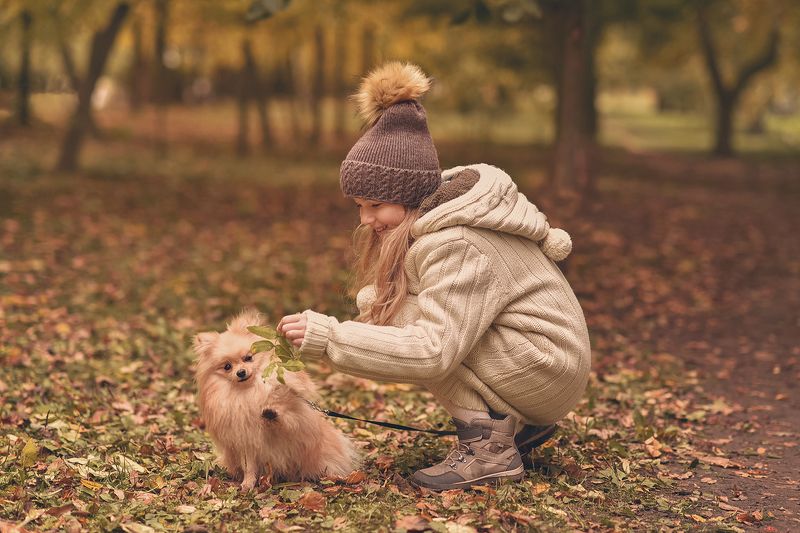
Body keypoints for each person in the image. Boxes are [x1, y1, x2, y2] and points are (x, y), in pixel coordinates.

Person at [277, 62, 591, 491]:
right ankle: (508, 429)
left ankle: (489, 452)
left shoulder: (457, 243)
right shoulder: (437, 224)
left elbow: (433, 351)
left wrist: (328, 337)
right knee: (381, 304)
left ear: (407, 198)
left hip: (547, 368)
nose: (367, 219)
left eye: (375, 205)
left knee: (401, 320)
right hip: (537, 361)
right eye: (358, 206)